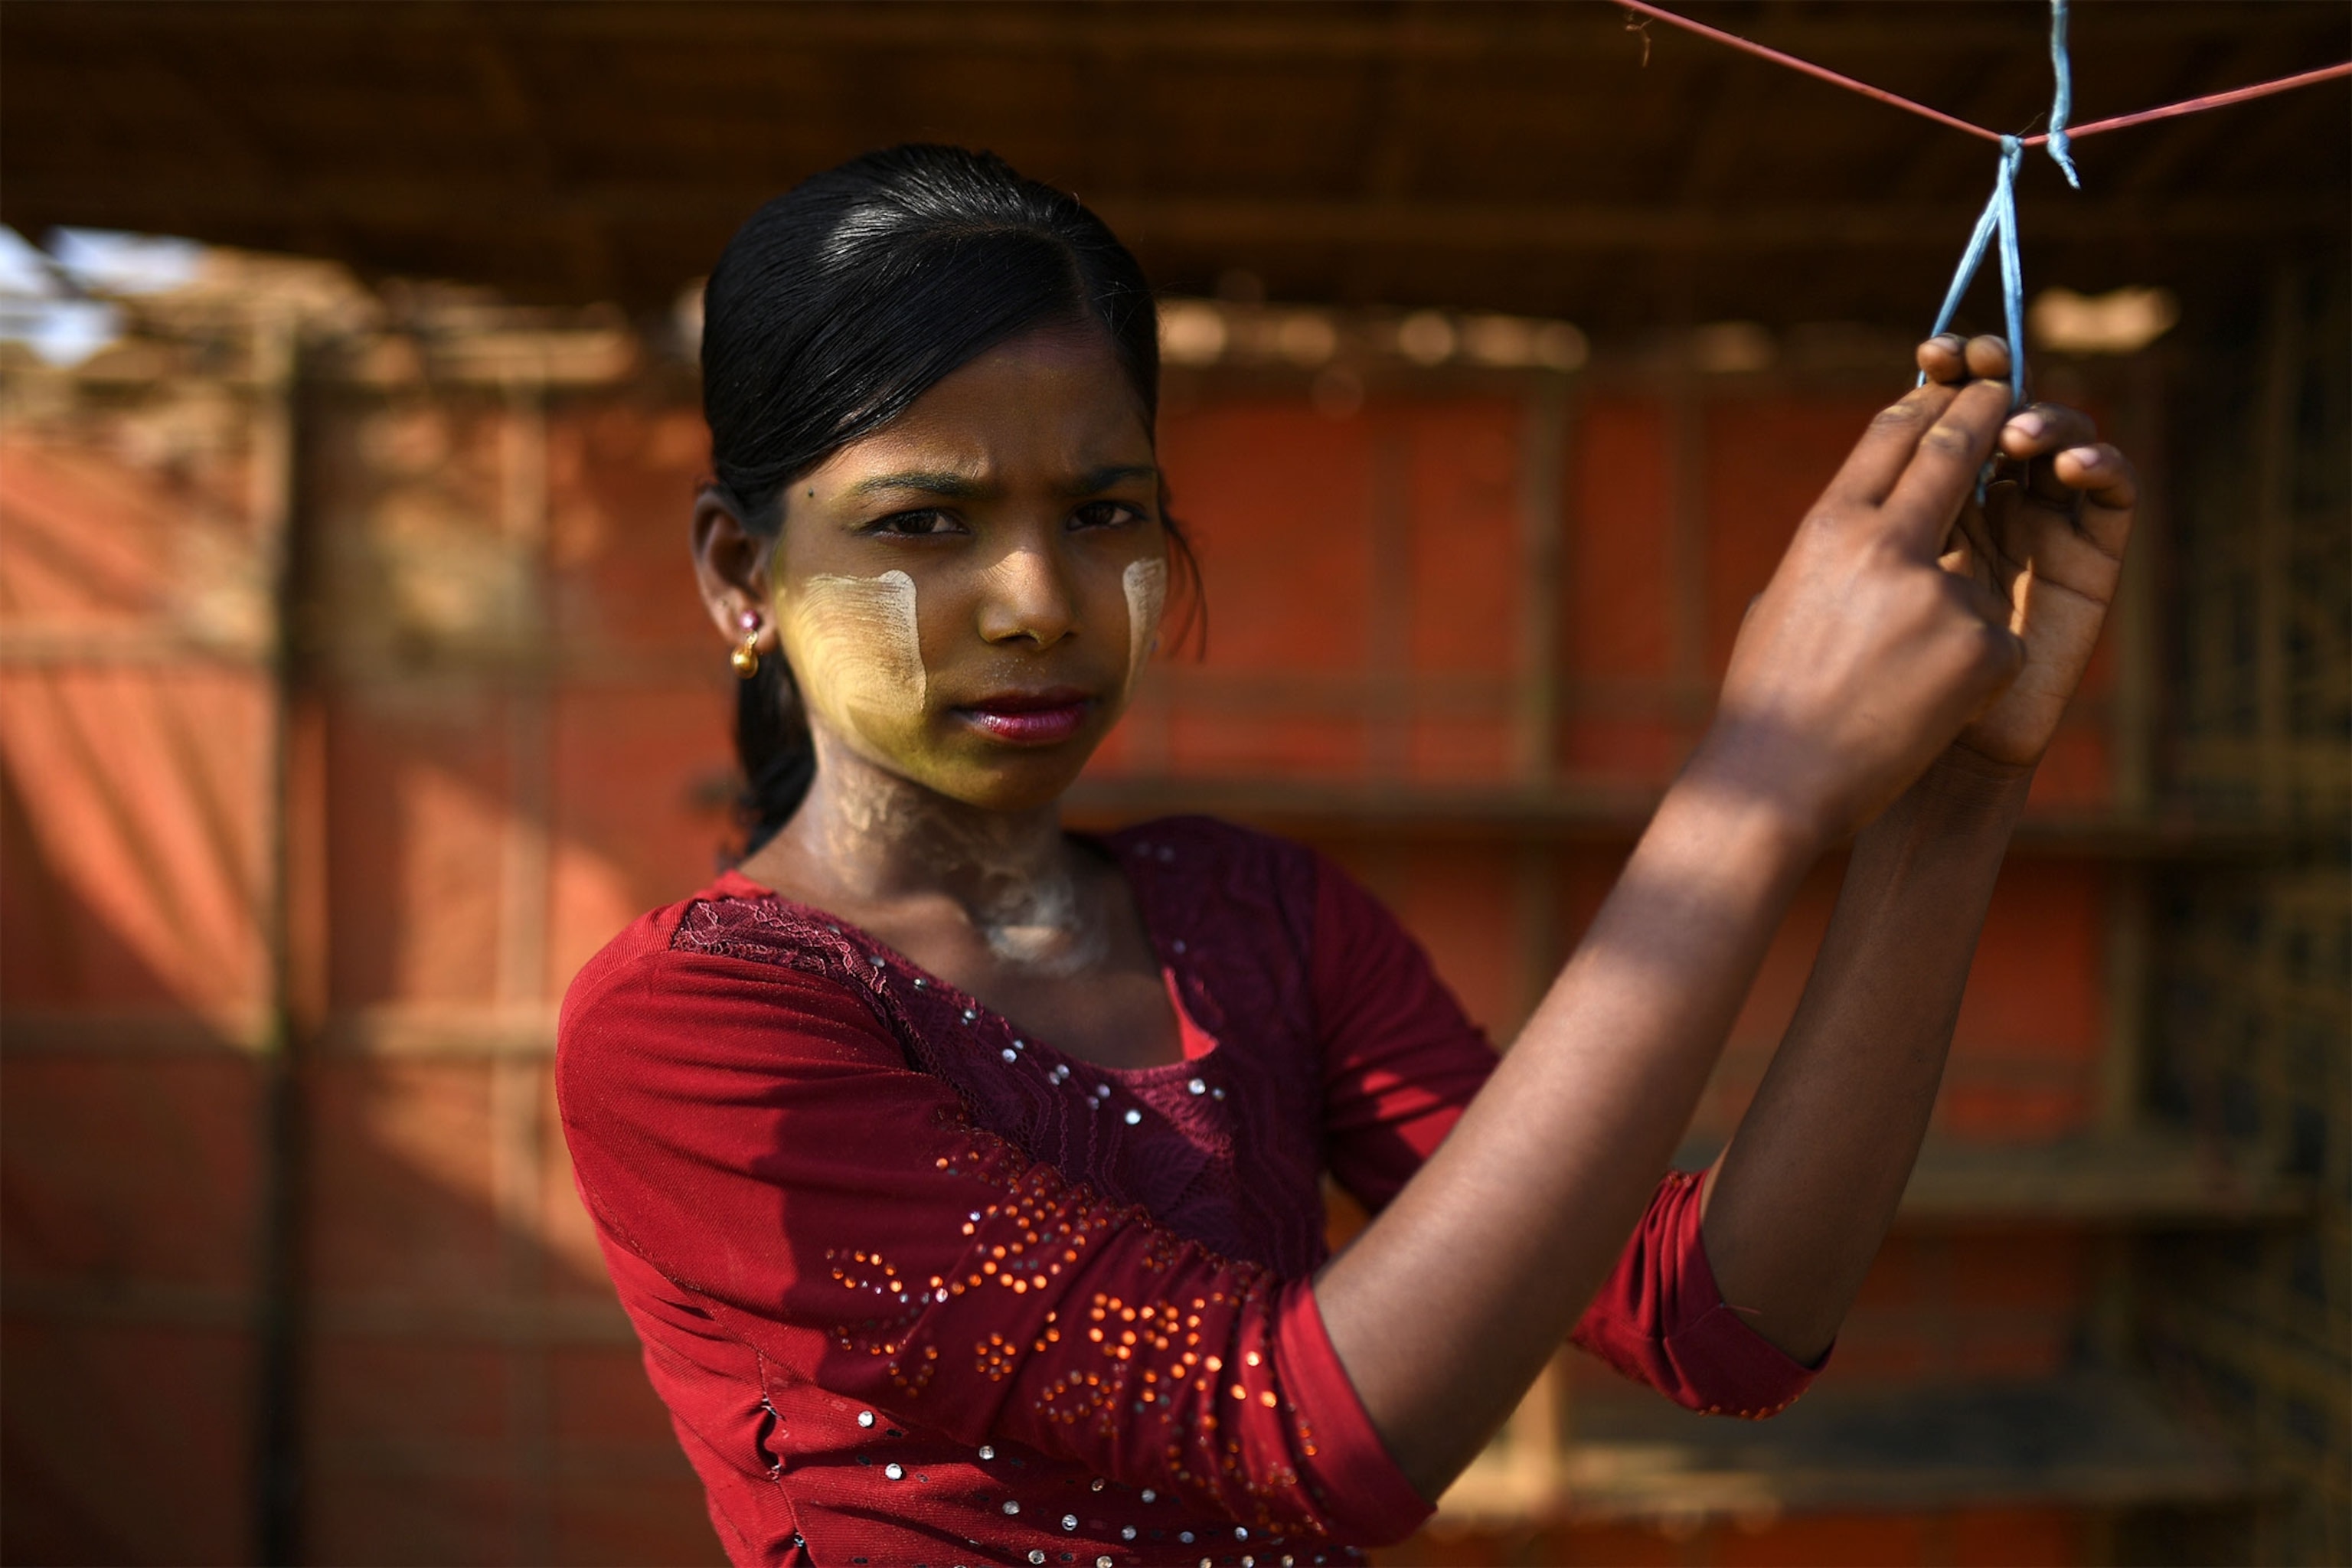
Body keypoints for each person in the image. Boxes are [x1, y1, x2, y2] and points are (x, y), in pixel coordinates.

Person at [556, 145, 2137, 1568]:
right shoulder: (696, 1028)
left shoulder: (1249, 917)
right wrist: (1756, 781)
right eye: (923, 523)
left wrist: (1962, 785)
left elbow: (1715, 1323)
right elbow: (1292, 1432)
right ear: (740, 570)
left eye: (1102, 512)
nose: (1037, 600)